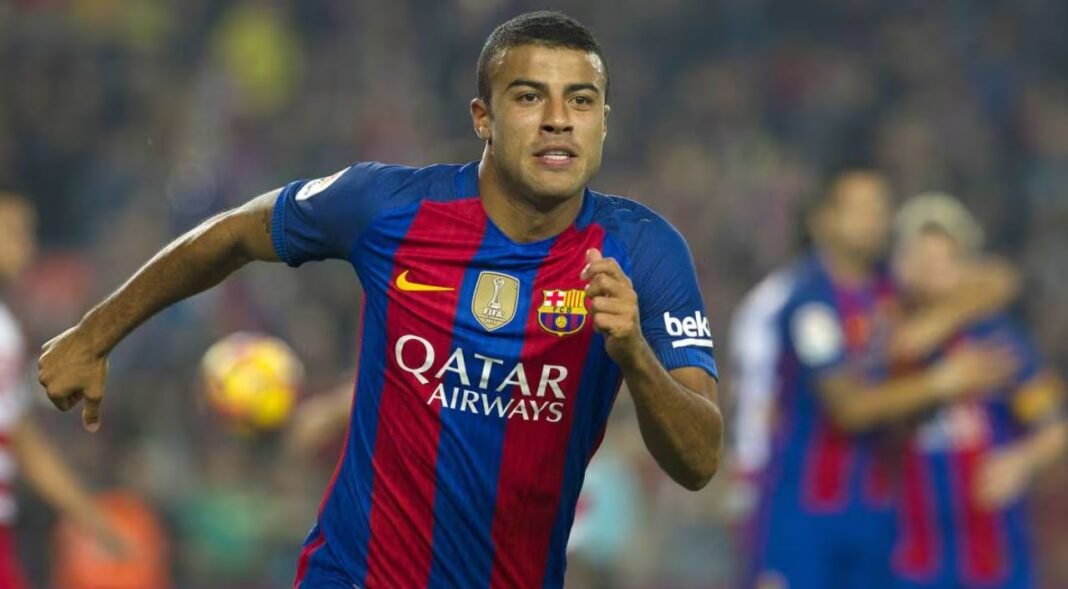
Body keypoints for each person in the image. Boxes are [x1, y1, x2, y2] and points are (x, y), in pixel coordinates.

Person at [37, 11, 723, 589]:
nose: (557, 121)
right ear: (483, 117)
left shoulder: (644, 251)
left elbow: (698, 461)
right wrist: (93, 336)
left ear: (603, 122)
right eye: (528, 97)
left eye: (580, 101)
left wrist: (634, 354)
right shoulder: (389, 207)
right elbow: (235, 233)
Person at [730, 171, 1020, 589]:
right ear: (824, 221)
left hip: (878, 512)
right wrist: (943, 381)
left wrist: (929, 328)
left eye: (881, 208)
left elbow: (999, 280)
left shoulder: (892, 290)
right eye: (860, 209)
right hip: (805, 513)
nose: (874, 219)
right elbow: (850, 409)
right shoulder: (809, 302)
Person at [889, 193, 1066, 589]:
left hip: (994, 551)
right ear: (900, 263)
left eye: (944, 259)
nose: (931, 270)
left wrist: (1020, 462)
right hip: (905, 553)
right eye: (921, 257)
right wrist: (942, 380)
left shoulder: (999, 337)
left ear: (966, 267)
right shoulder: (880, 332)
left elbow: (1054, 428)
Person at [0, 192, 124, 588]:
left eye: (28, 233)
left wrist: (90, 517)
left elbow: (22, 439)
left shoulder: (7, 330)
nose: (27, 246)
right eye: (13, 232)